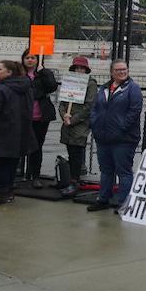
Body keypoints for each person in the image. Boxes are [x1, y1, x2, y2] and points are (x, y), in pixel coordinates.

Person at [87, 59, 142, 212]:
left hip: (123, 139)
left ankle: (124, 203)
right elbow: (95, 108)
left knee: (123, 171)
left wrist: (121, 128)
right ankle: (103, 199)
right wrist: (95, 123)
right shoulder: (104, 88)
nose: (122, 72)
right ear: (112, 72)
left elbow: (134, 111)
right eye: (118, 70)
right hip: (103, 137)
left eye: (124, 69)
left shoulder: (133, 89)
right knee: (106, 170)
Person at [0, 60, 34, 205]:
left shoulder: (1, 89)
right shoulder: (26, 87)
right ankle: (9, 191)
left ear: (9, 72)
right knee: (11, 164)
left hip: (2, 132)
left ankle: (2, 194)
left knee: (1, 164)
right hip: (19, 132)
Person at [58, 56, 98, 197]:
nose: (79, 70)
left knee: (77, 152)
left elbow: (89, 106)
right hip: (68, 121)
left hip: (80, 123)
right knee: (71, 151)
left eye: (82, 68)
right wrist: (64, 115)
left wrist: (73, 120)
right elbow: (62, 102)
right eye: (77, 68)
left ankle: (75, 181)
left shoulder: (91, 84)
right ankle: (72, 180)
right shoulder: (69, 81)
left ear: (86, 70)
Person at [21, 50, 58, 189]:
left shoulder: (43, 73)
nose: (30, 60)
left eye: (33, 58)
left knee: (37, 146)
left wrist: (44, 72)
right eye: (27, 58)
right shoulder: (19, 74)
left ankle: (35, 175)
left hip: (40, 116)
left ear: (37, 60)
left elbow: (52, 87)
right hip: (23, 116)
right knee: (21, 145)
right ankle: (20, 173)